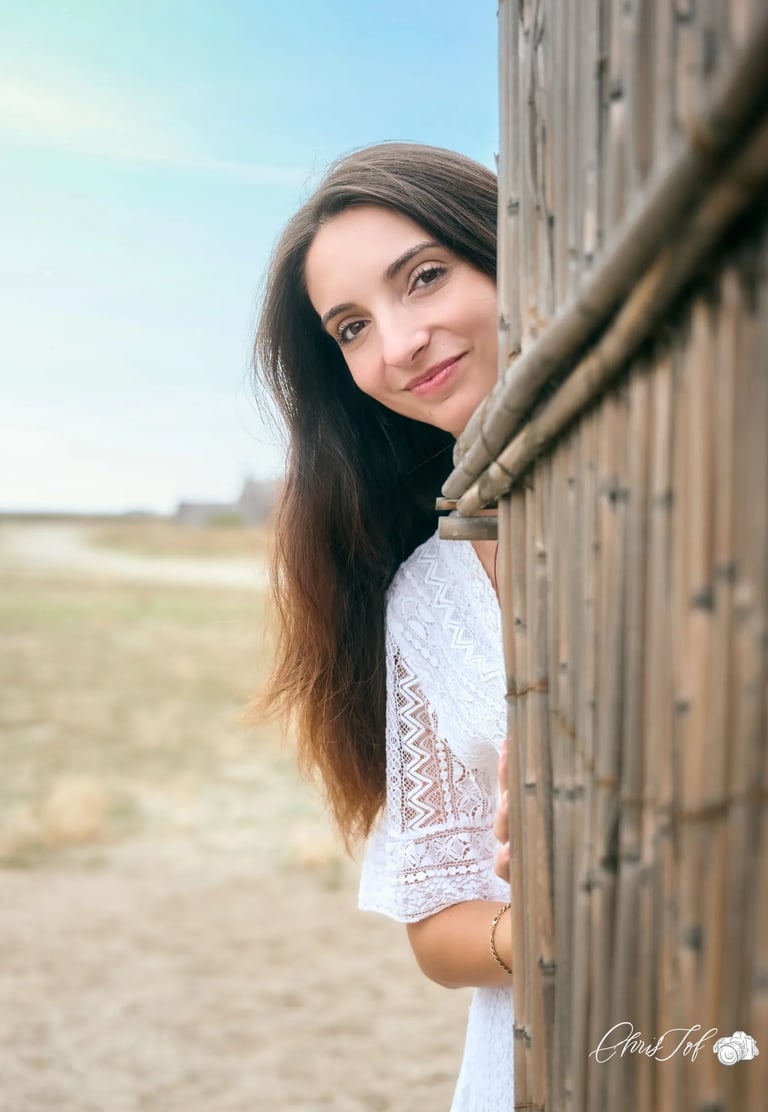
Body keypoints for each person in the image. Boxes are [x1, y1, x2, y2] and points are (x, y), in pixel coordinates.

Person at [254, 142, 514, 1111]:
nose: (398, 344)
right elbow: (441, 925)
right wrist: (556, 914)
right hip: (541, 1054)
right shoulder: (427, 595)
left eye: (426, 276)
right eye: (353, 326)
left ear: (508, 249)